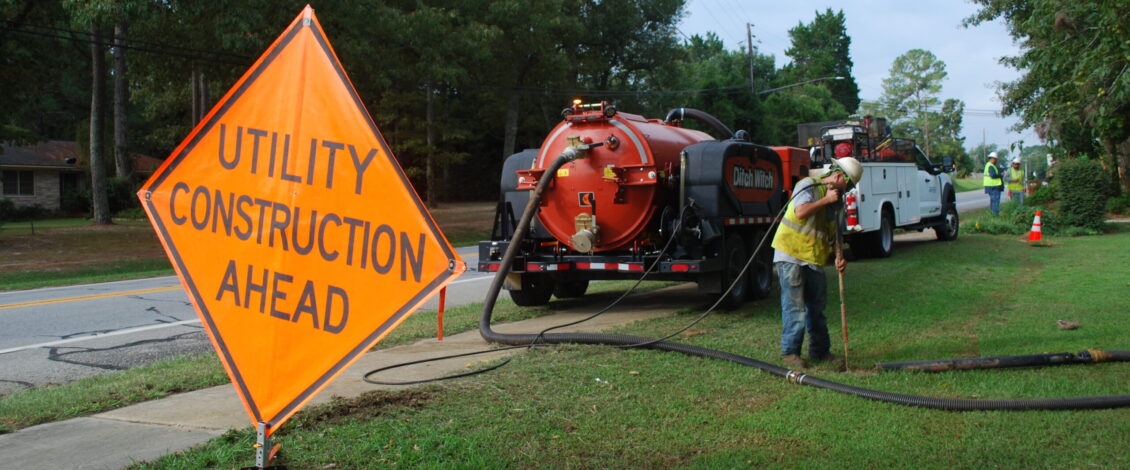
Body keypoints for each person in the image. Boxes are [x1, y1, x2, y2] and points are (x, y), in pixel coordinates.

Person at [771, 156, 862, 369]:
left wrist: (839, 256)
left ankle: (820, 351)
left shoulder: (836, 204)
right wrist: (826, 200)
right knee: (795, 307)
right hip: (791, 255)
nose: (846, 191)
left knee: (816, 308)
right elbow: (800, 212)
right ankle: (790, 353)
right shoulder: (808, 185)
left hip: (813, 259)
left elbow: (836, 235)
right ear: (839, 176)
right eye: (846, 186)